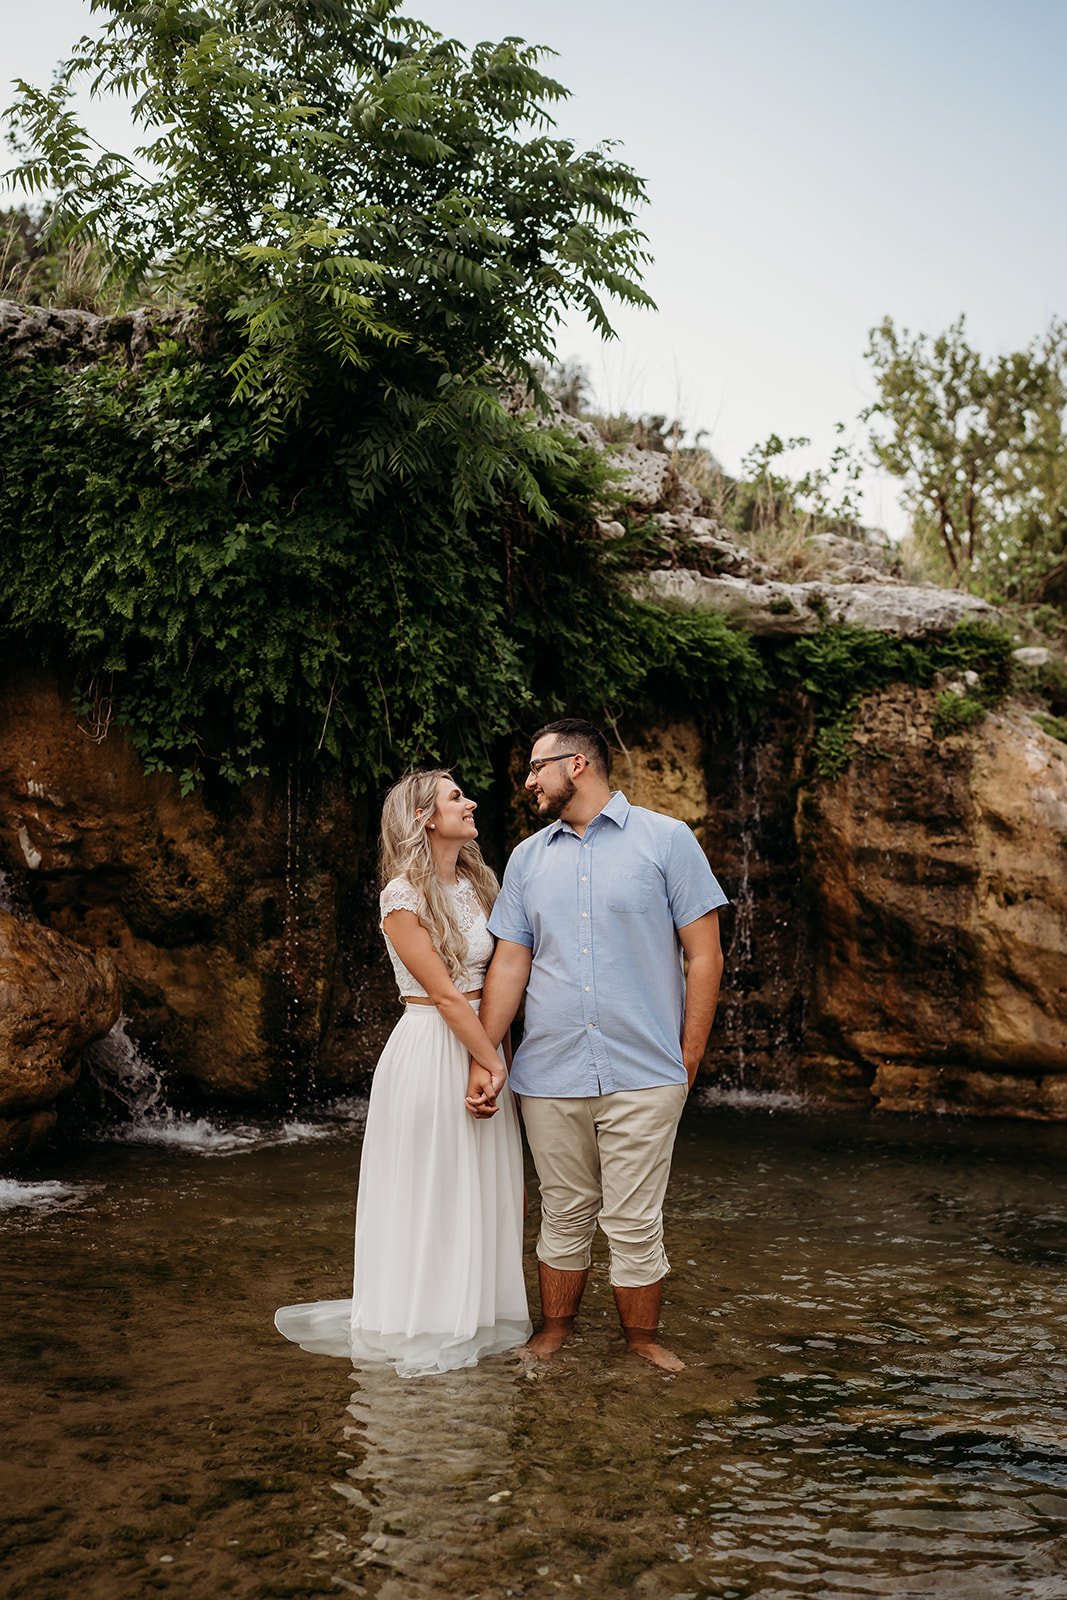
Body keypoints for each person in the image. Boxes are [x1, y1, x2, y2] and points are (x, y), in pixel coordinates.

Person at [468, 718, 727, 1372]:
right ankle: (555, 1331)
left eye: (536, 768)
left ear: (577, 764)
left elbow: (704, 956)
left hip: (646, 1071)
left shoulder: (668, 841)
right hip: (548, 1072)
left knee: (635, 1221)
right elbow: (509, 964)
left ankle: (640, 1342)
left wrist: (687, 1058)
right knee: (562, 1214)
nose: (527, 782)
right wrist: (483, 1052)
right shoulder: (527, 858)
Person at [275, 770, 531, 1377]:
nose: (470, 803)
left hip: (484, 1044)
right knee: (434, 1182)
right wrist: (489, 1062)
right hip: (430, 1049)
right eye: (454, 797)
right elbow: (444, 996)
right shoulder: (401, 898)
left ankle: (480, 1310)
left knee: (482, 1179)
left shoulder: (480, 884)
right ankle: (427, 1315)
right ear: (423, 817)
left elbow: (497, 979)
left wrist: (496, 1060)